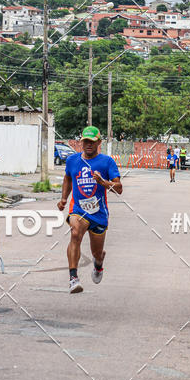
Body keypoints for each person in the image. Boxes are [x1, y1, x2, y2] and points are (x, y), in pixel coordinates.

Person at [57, 126, 122, 294]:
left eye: (92, 142)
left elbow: (119, 188)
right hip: (78, 209)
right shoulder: (72, 161)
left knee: (97, 252)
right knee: (75, 233)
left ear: (99, 142)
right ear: (81, 142)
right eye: (85, 141)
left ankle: (98, 264)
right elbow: (67, 178)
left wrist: (103, 183)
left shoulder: (107, 162)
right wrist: (64, 198)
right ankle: (73, 278)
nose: (88, 145)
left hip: (99, 214)